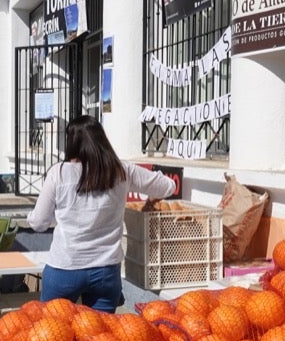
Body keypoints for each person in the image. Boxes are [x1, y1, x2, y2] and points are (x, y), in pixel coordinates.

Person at [27, 115, 176, 312]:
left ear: (71, 142)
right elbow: (168, 187)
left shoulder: (59, 173)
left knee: (54, 336)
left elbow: (39, 223)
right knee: (100, 339)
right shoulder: (122, 170)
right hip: (106, 271)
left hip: (65, 267)